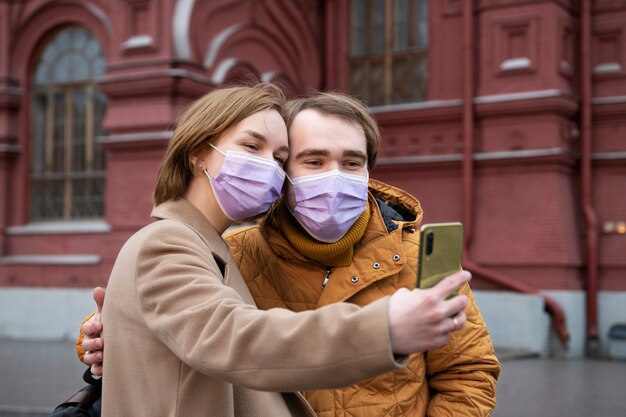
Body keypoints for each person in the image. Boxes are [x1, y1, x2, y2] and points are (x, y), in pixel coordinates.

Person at [87, 83, 473, 417]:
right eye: (312, 160)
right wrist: (386, 329)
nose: (268, 167)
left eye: (277, 158)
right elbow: (225, 334)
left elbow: (468, 373)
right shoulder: (218, 248)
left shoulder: (414, 253)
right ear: (197, 153)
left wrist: (115, 337)